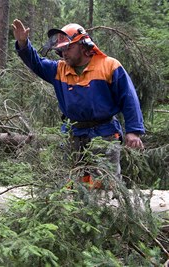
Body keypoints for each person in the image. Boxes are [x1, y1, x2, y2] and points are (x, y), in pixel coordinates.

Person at [11, 19, 145, 187]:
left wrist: (133, 131)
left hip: (104, 134)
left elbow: (129, 98)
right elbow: (36, 63)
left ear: (83, 45)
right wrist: (23, 43)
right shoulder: (59, 69)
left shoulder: (109, 65)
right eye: (61, 49)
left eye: (68, 47)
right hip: (74, 134)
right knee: (75, 185)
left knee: (103, 184)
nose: (64, 53)